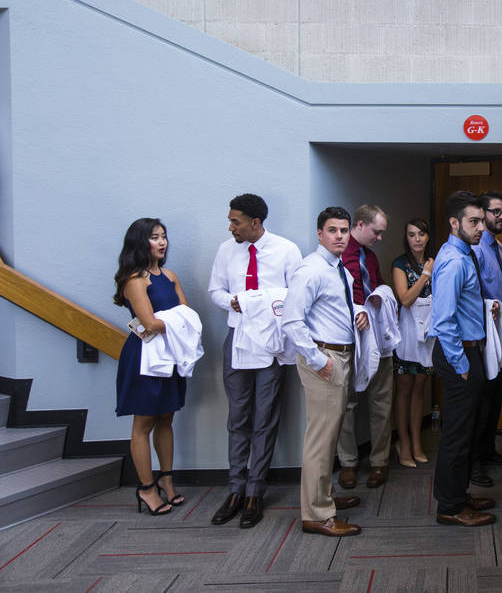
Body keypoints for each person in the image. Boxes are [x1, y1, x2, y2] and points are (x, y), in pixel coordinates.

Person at [207, 193, 302, 528]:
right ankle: (234, 488)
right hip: (238, 338)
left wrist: (266, 304)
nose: (230, 226)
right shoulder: (226, 250)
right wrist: (233, 302)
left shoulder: (286, 251)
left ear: (255, 222)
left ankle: (254, 490)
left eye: (236, 221)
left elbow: (296, 295)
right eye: (231, 220)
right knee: (238, 415)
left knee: (265, 417)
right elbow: (215, 290)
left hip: (271, 342)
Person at [283, 206, 368, 537]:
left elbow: (337, 307)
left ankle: (323, 498)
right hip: (325, 359)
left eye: (344, 230)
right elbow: (291, 320)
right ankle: (317, 514)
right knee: (320, 439)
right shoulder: (311, 269)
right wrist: (319, 361)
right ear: (320, 234)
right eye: (332, 230)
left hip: (341, 356)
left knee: (329, 435)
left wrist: (359, 312)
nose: (339, 236)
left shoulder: (339, 269)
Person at [430, 190, 498, 526]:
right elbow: (443, 322)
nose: (481, 228)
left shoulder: (458, 251)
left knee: (464, 430)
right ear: (454, 222)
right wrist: (462, 366)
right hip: (459, 354)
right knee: (457, 433)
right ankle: (450, 507)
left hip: (467, 351)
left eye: (482, 221)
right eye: (473, 222)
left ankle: (456, 494)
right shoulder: (455, 261)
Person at [113, 218, 188, 516]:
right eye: (155, 237)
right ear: (140, 242)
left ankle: (167, 480)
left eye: (164, 237)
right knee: (143, 424)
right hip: (143, 357)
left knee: (166, 419)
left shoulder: (170, 275)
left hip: (169, 354)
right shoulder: (134, 279)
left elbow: (187, 314)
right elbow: (151, 323)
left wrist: (178, 322)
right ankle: (146, 488)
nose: (162, 242)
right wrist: (179, 322)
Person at [336, 204, 392, 490]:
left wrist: (380, 297)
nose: (380, 238)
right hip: (348, 339)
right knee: (346, 405)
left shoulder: (370, 258)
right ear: (360, 224)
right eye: (377, 232)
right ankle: (348, 462)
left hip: (375, 336)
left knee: (381, 402)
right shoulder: (337, 258)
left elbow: (379, 285)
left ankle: (380, 461)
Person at [469, 190, 502, 487]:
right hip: (486, 333)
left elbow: (494, 281)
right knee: (483, 399)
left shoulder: (498, 247)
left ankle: (487, 450)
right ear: (483, 214)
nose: (501, 217)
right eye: (495, 212)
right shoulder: (476, 249)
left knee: (497, 394)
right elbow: (474, 293)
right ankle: (474, 462)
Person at [391, 218, 436, 467]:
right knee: (404, 388)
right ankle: (404, 443)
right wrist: (425, 275)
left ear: (428, 236)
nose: (417, 239)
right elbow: (405, 299)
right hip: (406, 334)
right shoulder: (400, 264)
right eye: (411, 235)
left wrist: (431, 270)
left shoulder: (436, 261)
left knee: (420, 388)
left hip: (428, 334)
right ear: (406, 238)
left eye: (421, 234)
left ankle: (417, 442)